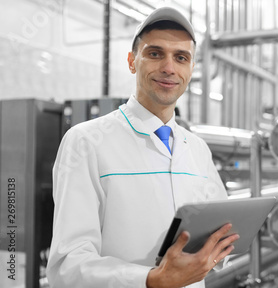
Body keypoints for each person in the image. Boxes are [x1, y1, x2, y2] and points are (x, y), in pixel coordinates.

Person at [46, 6, 239, 288]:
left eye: (181, 58)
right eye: (155, 53)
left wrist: (219, 249)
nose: (169, 68)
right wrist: (151, 280)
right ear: (132, 61)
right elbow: (67, 266)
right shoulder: (86, 141)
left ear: (191, 69)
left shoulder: (197, 149)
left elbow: (219, 233)